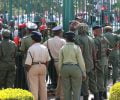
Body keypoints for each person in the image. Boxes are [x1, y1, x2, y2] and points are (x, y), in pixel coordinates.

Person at [59, 31, 86, 100]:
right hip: (75, 68)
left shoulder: (62, 48)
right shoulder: (77, 48)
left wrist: (60, 72)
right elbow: (81, 61)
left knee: (66, 89)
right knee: (76, 89)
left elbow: (60, 61)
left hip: (64, 68)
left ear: (66, 39)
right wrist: (83, 72)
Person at [75, 23, 99, 100]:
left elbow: (80, 52)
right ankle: (96, 96)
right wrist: (94, 63)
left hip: (83, 63)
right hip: (91, 62)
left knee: (84, 81)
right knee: (92, 80)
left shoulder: (78, 38)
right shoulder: (91, 38)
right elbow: (94, 53)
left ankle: (85, 97)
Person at [25, 31, 50, 100]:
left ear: (33, 39)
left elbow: (28, 63)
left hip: (33, 66)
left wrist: (28, 70)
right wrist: (45, 67)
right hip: (43, 66)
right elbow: (48, 60)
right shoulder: (44, 47)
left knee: (34, 87)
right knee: (43, 86)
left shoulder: (31, 48)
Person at [44, 26, 66, 99]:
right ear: (59, 32)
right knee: (62, 80)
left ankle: (57, 95)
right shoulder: (63, 41)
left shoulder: (48, 41)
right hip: (62, 62)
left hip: (55, 62)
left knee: (60, 79)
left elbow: (42, 48)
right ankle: (62, 96)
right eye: (61, 32)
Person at [19, 22, 37, 89]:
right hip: (38, 61)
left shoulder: (25, 39)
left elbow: (22, 50)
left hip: (27, 61)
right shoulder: (39, 37)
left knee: (29, 80)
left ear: (28, 30)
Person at [93, 26, 109, 100]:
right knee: (104, 78)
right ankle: (104, 94)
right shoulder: (104, 38)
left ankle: (100, 96)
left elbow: (95, 52)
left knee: (99, 78)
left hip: (99, 61)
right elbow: (107, 49)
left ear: (95, 31)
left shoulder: (96, 40)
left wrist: (95, 61)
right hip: (105, 60)